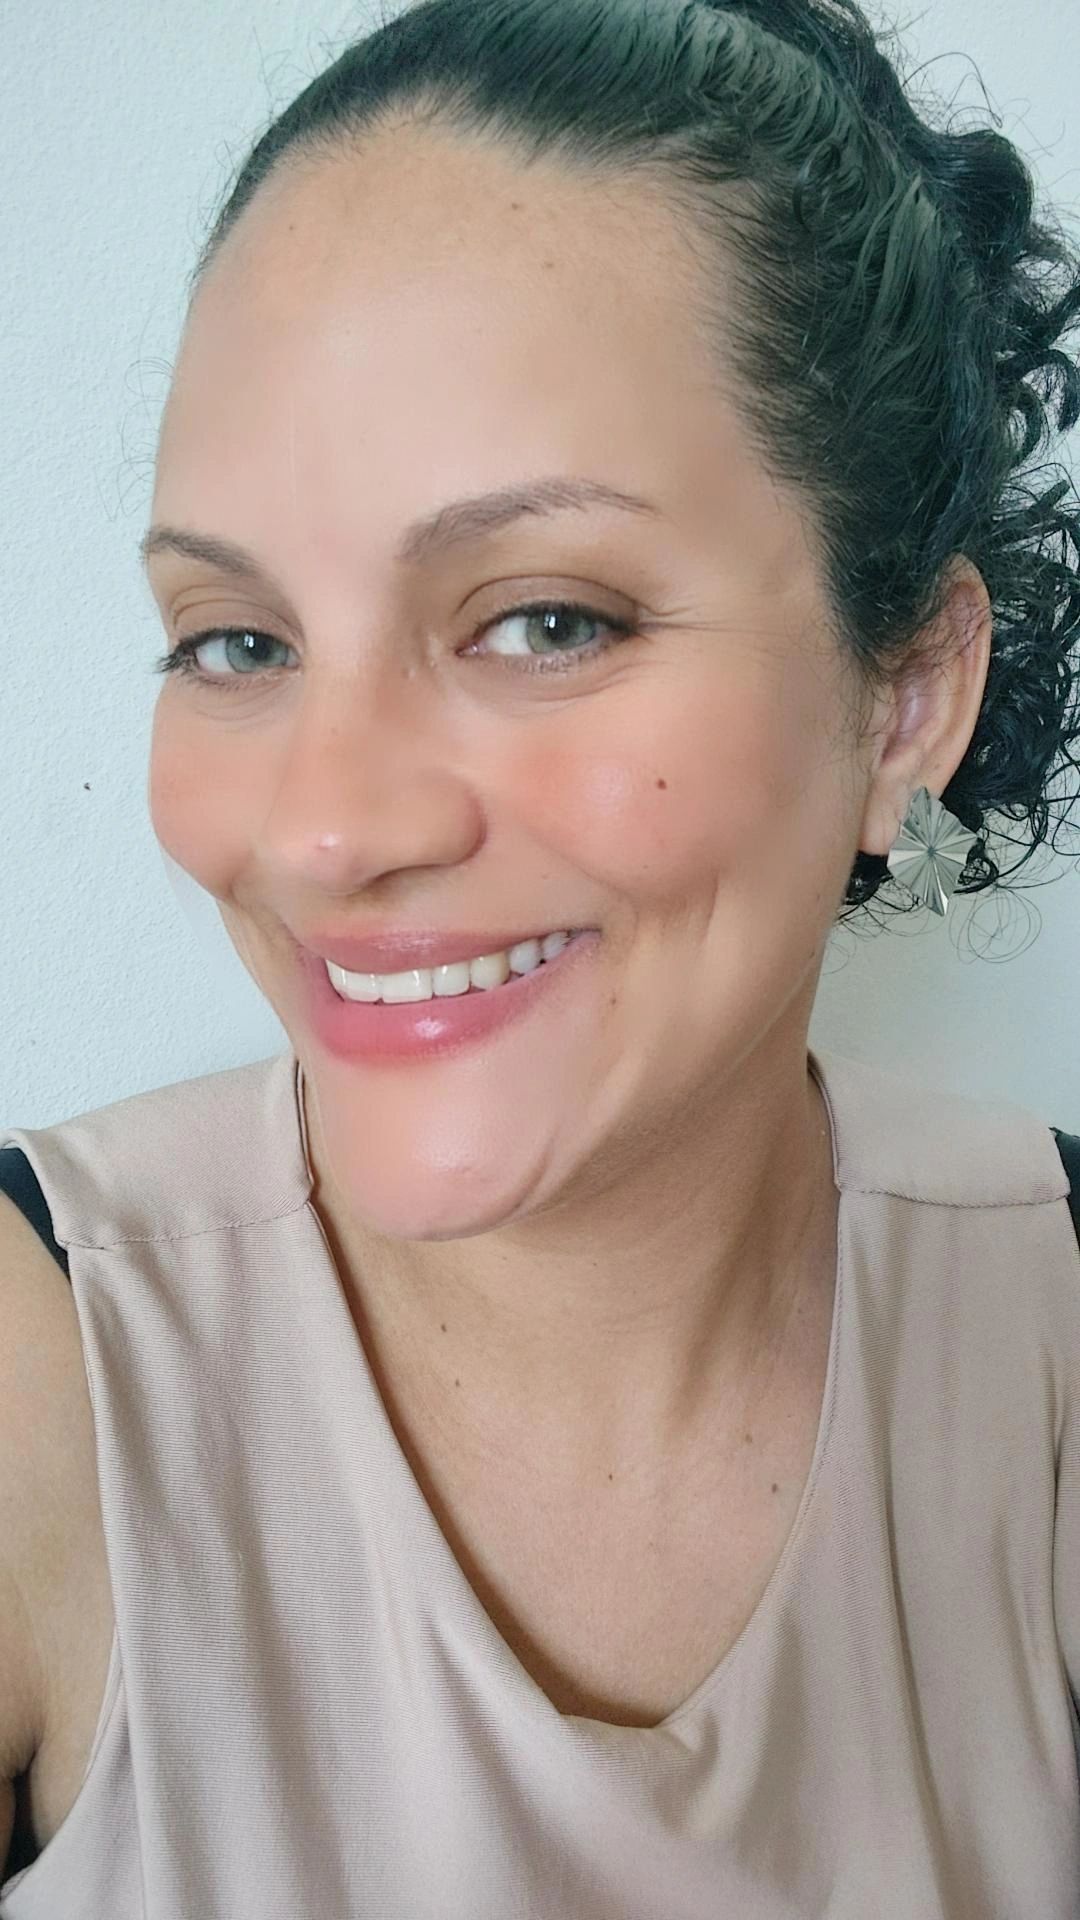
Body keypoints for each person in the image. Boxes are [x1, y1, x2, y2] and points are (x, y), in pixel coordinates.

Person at [3, 0, 1080, 1911]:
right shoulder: (37, 1377)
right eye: (238, 641)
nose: (325, 831)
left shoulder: (1049, 1346)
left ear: (907, 695)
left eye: (545, 622)